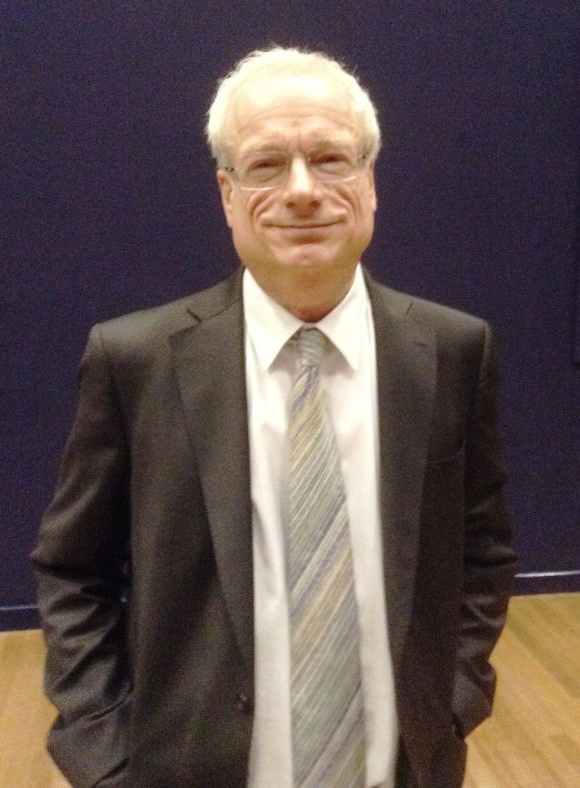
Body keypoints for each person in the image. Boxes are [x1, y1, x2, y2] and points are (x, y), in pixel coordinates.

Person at [32, 46, 516, 788]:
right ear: (227, 194)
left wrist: (454, 700)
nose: (302, 191)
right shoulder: (135, 361)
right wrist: (106, 755)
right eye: (265, 165)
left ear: (370, 182)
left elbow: (481, 550)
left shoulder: (453, 350)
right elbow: (74, 571)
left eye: (330, 159)